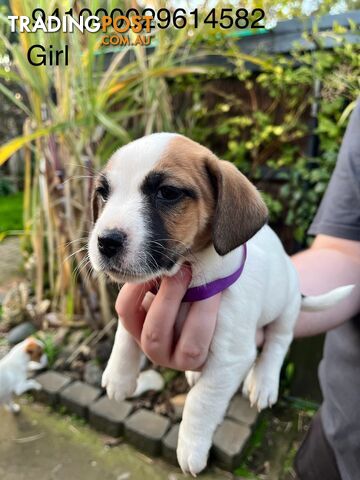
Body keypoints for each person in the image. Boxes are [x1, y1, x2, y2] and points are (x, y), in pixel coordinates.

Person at [116, 100, 360, 479]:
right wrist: (125, 355)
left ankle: (276, 354)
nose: (111, 225)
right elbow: (346, 251)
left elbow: (237, 354)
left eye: (167, 193)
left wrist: (196, 423)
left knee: (279, 325)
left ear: (221, 206)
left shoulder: (236, 257)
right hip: (338, 440)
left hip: (286, 308)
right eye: (106, 192)